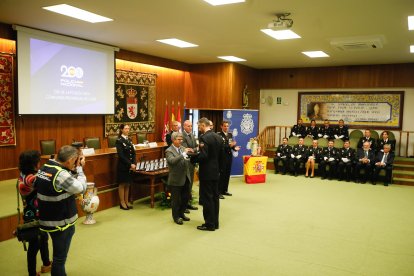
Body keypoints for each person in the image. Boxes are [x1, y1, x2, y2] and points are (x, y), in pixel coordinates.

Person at [35, 145, 87, 276]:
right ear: (70, 160)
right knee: (59, 259)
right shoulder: (61, 174)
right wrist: (80, 169)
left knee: (58, 257)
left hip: (48, 220)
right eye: (75, 161)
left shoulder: (45, 167)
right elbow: (81, 187)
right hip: (61, 224)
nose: (76, 163)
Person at [18, 150, 52, 276]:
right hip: (34, 214)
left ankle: (47, 264)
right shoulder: (30, 178)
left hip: (34, 212)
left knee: (43, 238)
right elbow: (48, 178)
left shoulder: (24, 174)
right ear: (33, 164)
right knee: (34, 245)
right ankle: (32, 273)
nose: (40, 163)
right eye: (38, 161)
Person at [193, 117, 223, 231]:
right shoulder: (218, 137)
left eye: (199, 126)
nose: (198, 128)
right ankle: (215, 222)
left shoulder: (204, 138)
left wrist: (193, 158)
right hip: (216, 171)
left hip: (206, 172)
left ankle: (209, 224)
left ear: (202, 125)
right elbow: (221, 155)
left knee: (207, 198)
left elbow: (204, 156)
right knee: (215, 197)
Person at [165, 132, 193, 225]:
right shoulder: (169, 150)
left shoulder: (183, 148)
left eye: (181, 139)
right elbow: (172, 161)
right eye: (179, 139)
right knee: (176, 200)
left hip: (186, 177)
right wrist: (183, 154)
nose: (181, 141)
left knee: (185, 198)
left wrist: (191, 154)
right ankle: (176, 217)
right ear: (173, 140)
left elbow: (187, 160)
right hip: (176, 179)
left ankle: (181, 214)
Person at [115, 124, 137, 210]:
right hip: (123, 166)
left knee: (128, 183)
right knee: (122, 184)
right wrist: (130, 164)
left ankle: (126, 201)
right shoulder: (119, 141)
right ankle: (122, 202)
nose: (128, 130)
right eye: (126, 128)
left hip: (130, 166)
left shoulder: (129, 139)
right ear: (121, 130)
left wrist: (134, 163)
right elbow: (121, 155)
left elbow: (133, 153)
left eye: (128, 128)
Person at [217, 120, 240, 198]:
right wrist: (230, 146)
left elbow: (231, 145)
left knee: (227, 174)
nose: (226, 127)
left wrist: (234, 148)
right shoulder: (219, 135)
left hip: (229, 156)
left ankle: (225, 190)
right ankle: (218, 192)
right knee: (222, 174)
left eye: (227, 126)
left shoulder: (230, 134)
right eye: (225, 126)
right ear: (221, 126)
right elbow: (221, 147)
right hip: (222, 157)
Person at [181, 120, 199, 211]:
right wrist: (194, 149)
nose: (190, 128)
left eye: (191, 126)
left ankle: (188, 202)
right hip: (185, 163)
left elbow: (196, 147)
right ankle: (183, 205)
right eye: (188, 126)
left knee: (190, 184)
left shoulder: (192, 135)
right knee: (186, 184)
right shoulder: (182, 136)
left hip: (192, 162)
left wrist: (194, 149)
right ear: (184, 126)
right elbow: (186, 151)